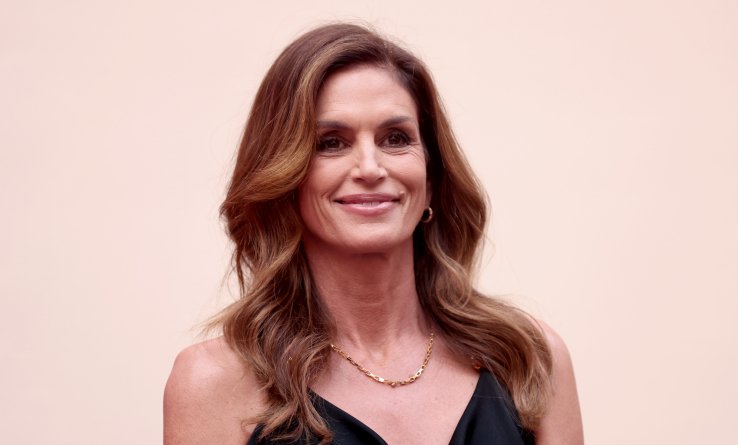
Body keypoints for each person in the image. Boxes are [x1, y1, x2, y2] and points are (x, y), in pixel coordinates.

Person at [164, 23, 583, 445]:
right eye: (331, 142)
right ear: (285, 179)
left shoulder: (529, 358)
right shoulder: (213, 383)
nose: (370, 168)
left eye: (395, 138)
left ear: (431, 178)